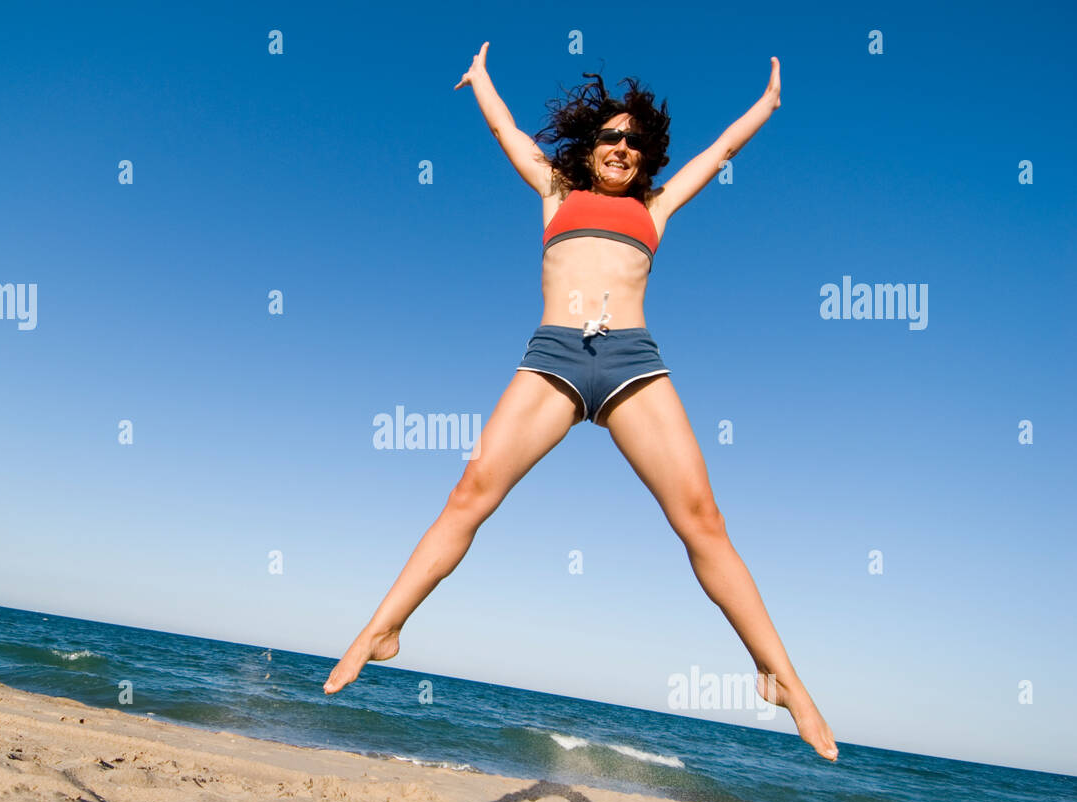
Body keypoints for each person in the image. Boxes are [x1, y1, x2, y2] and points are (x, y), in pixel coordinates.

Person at [324, 43, 838, 762]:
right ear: (590, 146)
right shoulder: (557, 195)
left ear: (645, 153)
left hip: (631, 365)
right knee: (470, 492)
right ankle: (379, 630)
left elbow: (721, 148)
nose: (621, 147)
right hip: (556, 360)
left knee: (704, 522)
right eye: (610, 136)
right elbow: (508, 133)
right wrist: (481, 82)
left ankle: (782, 679)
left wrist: (767, 104)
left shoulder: (656, 208)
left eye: (634, 140)